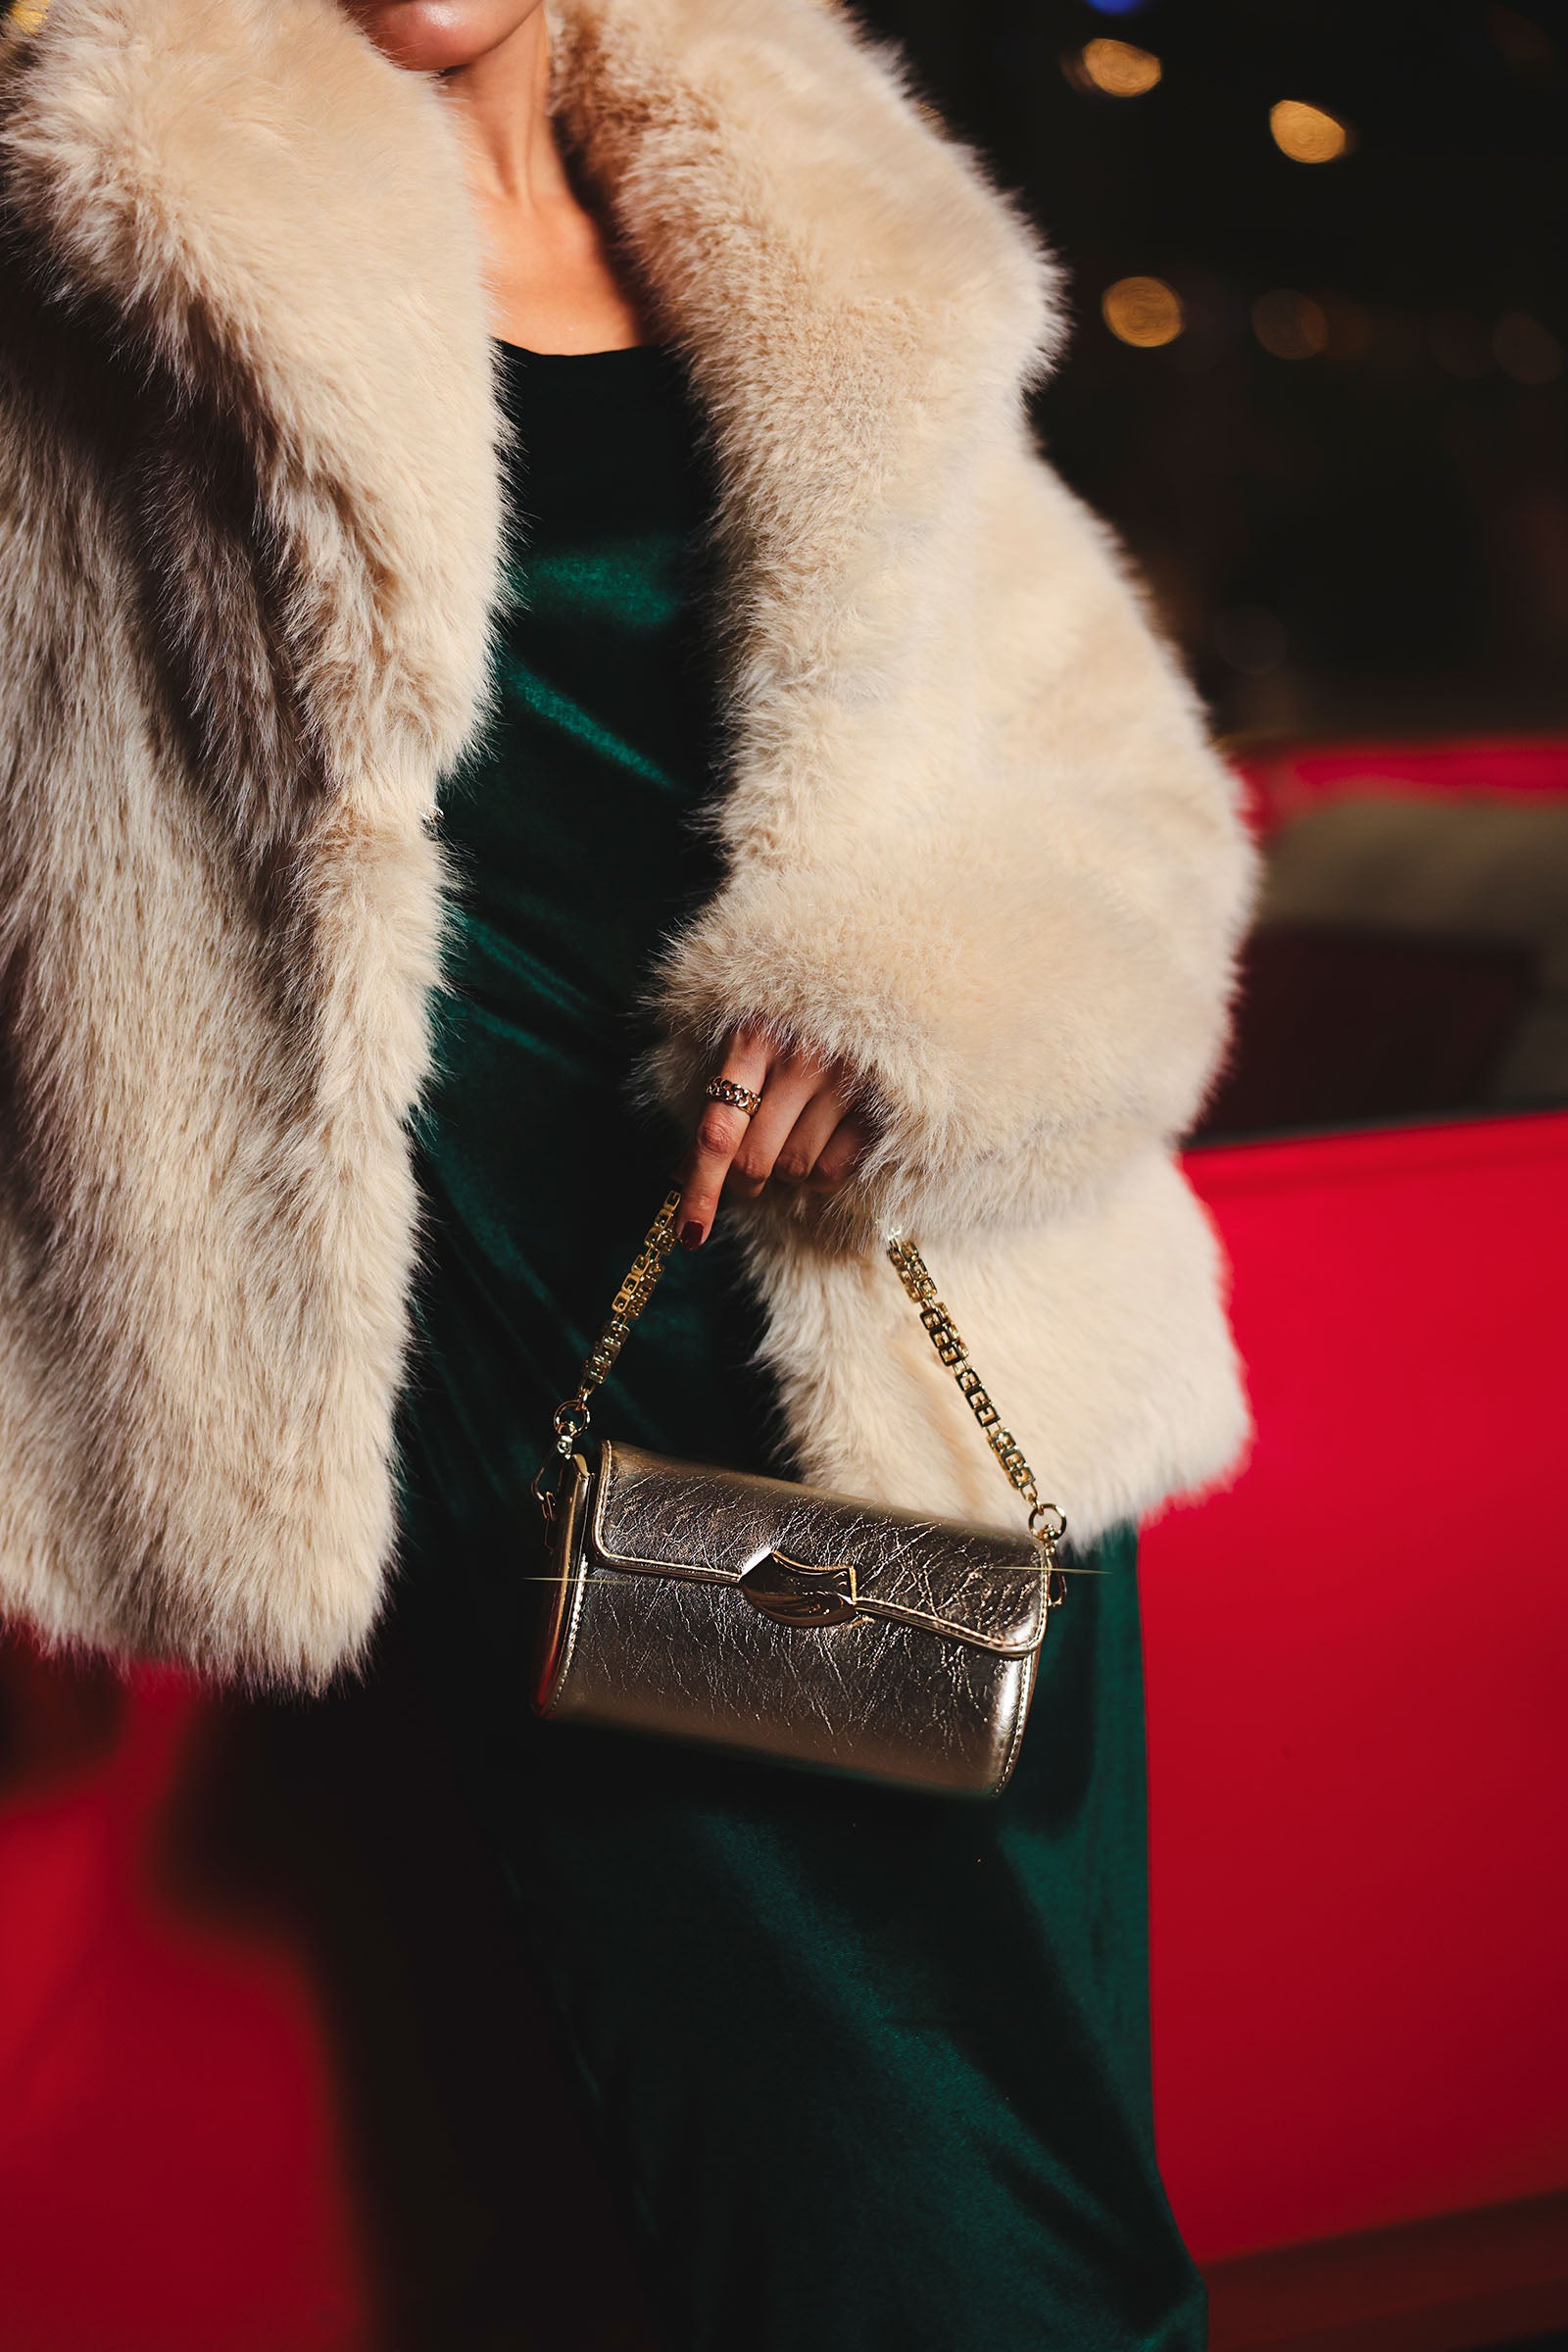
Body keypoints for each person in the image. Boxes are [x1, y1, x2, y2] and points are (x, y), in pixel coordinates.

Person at [0, 0, 1255, 2342]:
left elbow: (1127, 816)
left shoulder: (824, 220)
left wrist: (910, 1015)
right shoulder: (127, 225)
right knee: (872, 2229)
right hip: (534, 1388)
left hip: (934, 1361)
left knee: (1061, 2185)